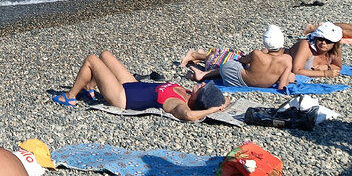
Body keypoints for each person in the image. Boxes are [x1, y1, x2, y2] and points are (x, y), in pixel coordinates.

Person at [57, 50, 229, 121]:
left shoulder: (177, 103)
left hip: (123, 97)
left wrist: (212, 110)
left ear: (198, 99)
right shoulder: (186, 92)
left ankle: (70, 97)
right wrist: (222, 105)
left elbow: (189, 115)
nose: (201, 85)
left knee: (91, 60)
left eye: (203, 89)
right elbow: (223, 99)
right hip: (132, 85)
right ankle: (89, 88)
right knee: (105, 55)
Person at [187, 26, 295, 90]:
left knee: (235, 62)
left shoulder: (257, 54)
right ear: (282, 44)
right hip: (255, 84)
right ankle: (201, 70)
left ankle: (203, 73)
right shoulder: (287, 60)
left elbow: (241, 60)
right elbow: (281, 86)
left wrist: (251, 62)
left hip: (235, 78)